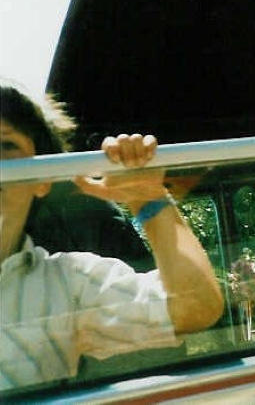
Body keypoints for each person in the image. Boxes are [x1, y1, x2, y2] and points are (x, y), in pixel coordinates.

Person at [1, 84, 223, 390]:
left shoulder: (69, 282)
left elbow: (196, 307)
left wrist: (147, 199)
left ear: (42, 179)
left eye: (5, 145)